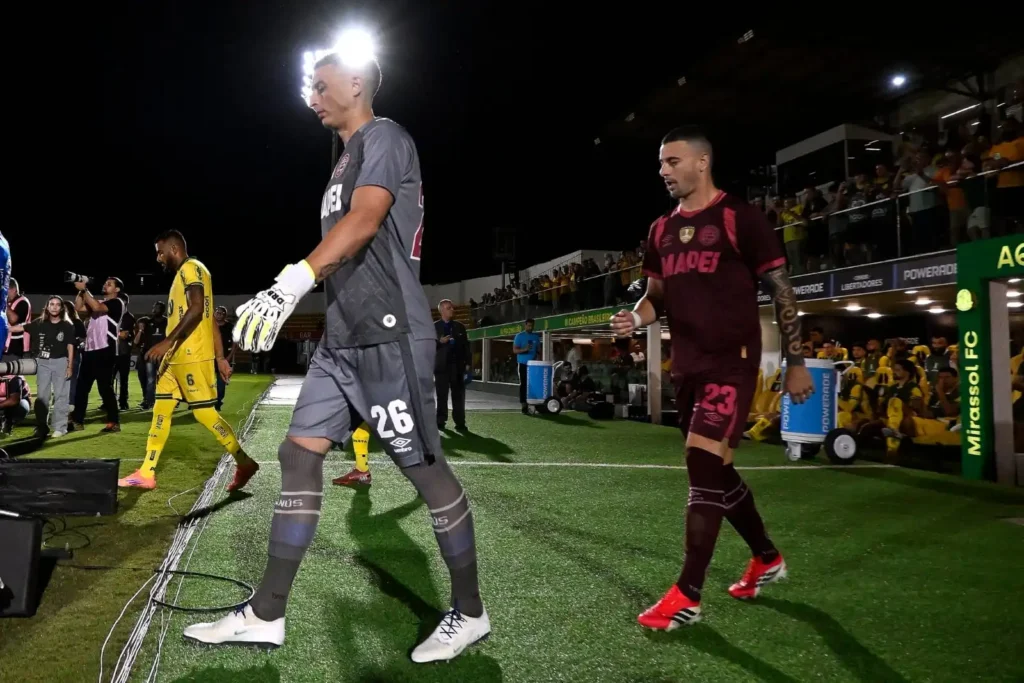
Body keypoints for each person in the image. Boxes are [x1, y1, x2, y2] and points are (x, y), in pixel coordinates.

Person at [184, 49, 488, 662]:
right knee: (297, 454)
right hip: (341, 343)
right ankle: (267, 614)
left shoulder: (387, 137)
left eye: (321, 85)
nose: (312, 95)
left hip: (389, 335)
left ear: (356, 83)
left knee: (424, 471)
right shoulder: (343, 158)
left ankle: (470, 612)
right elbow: (345, 239)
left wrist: (295, 278)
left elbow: (369, 218)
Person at [610, 126, 814, 630]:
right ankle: (766, 557)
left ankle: (688, 594)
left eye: (672, 161)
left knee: (702, 468)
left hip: (731, 363)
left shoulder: (740, 218)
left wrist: (795, 363)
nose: (664, 171)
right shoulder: (659, 230)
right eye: (661, 163)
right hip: (688, 367)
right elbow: (655, 296)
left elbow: (783, 293)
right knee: (716, 473)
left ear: (702, 163)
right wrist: (636, 318)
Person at [117, 231, 258, 491]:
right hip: (175, 359)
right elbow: (209, 319)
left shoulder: (191, 269)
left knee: (204, 413)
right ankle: (146, 472)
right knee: (161, 410)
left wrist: (167, 341)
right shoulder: (185, 275)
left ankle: (244, 461)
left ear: (174, 248)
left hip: (191, 355)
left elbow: (196, 310)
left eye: (160, 252)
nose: (158, 258)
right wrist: (219, 357)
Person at [9, 296, 75, 437]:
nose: (55, 307)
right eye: (52, 304)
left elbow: (70, 346)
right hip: (43, 363)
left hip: (61, 362)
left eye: (58, 304)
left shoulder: (67, 325)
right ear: (47, 306)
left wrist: (70, 366)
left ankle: (60, 427)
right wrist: (5, 328)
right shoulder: (38, 323)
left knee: (61, 396)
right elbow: (19, 327)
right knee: (42, 397)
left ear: (61, 308)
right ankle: (42, 426)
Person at [71, 277, 126, 432]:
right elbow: (78, 307)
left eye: (109, 284)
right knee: (82, 387)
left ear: (117, 290)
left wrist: (84, 289)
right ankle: (77, 421)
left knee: (105, 388)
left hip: (105, 350)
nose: (105, 285)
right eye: (105, 282)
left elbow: (96, 306)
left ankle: (114, 422)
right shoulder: (101, 302)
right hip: (90, 349)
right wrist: (81, 290)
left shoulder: (117, 303)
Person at [435, 298, 469, 431]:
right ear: (442, 310)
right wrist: (439, 342)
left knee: (458, 396)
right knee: (441, 395)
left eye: (452, 307)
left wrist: (468, 364)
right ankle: (440, 420)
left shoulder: (460, 326)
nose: (452, 310)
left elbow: (466, 347)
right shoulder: (433, 327)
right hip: (441, 367)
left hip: (458, 367)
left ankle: (460, 422)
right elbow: (427, 347)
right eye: (449, 308)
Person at [512, 318, 540, 414]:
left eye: (532, 326)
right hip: (523, 364)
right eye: (528, 325)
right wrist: (524, 349)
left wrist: (538, 360)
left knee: (533, 384)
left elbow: (538, 351)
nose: (530, 327)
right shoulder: (519, 336)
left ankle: (534, 403)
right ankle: (524, 404)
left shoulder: (536, 337)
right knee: (524, 384)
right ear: (525, 325)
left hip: (533, 365)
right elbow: (515, 351)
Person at [6, 278, 30, 358]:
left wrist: (3, 303)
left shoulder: (23, 302)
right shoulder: (9, 302)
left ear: (13, 289)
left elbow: (13, 320)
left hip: (17, 348)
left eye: (6, 289)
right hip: (6, 347)